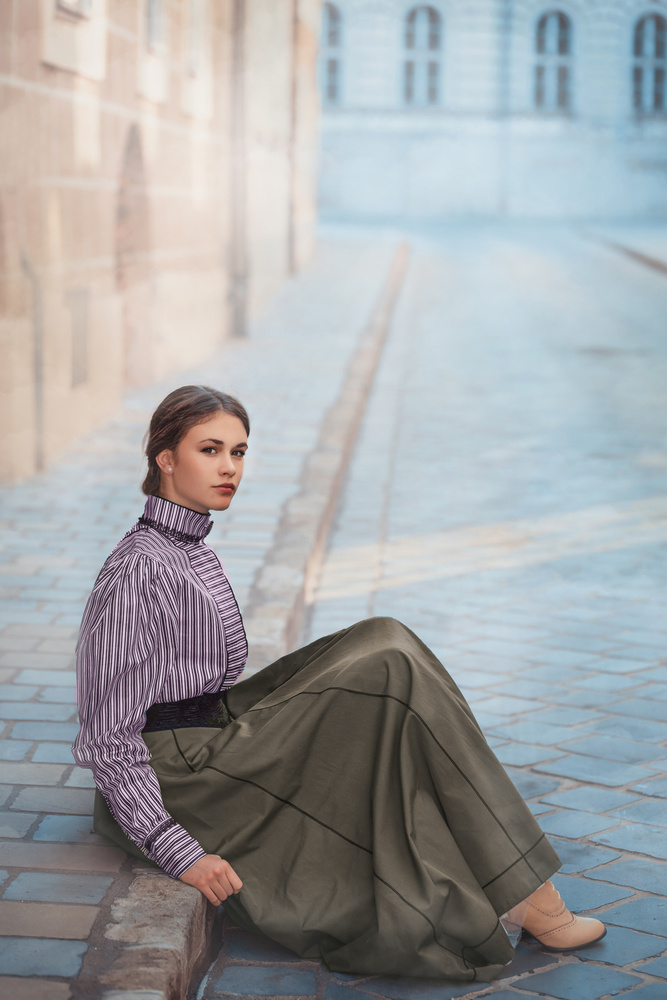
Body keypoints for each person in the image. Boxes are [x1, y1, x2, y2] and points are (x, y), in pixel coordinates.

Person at [73, 384, 605, 984]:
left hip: (214, 731)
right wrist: (180, 852)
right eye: (211, 450)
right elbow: (107, 742)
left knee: (387, 637)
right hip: (182, 776)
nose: (229, 468)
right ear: (165, 457)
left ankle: (520, 884)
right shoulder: (137, 570)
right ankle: (528, 891)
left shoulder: (190, 545)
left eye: (240, 452)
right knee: (389, 668)